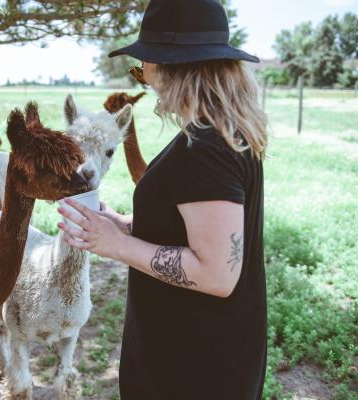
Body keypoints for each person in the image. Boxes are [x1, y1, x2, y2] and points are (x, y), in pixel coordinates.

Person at [57, 0, 268, 399]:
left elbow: (216, 273)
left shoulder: (205, 148)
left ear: (173, 68)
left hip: (195, 370)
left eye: (143, 69)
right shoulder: (219, 134)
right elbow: (196, 234)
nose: (144, 81)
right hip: (201, 357)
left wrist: (118, 246)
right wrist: (125, 225)